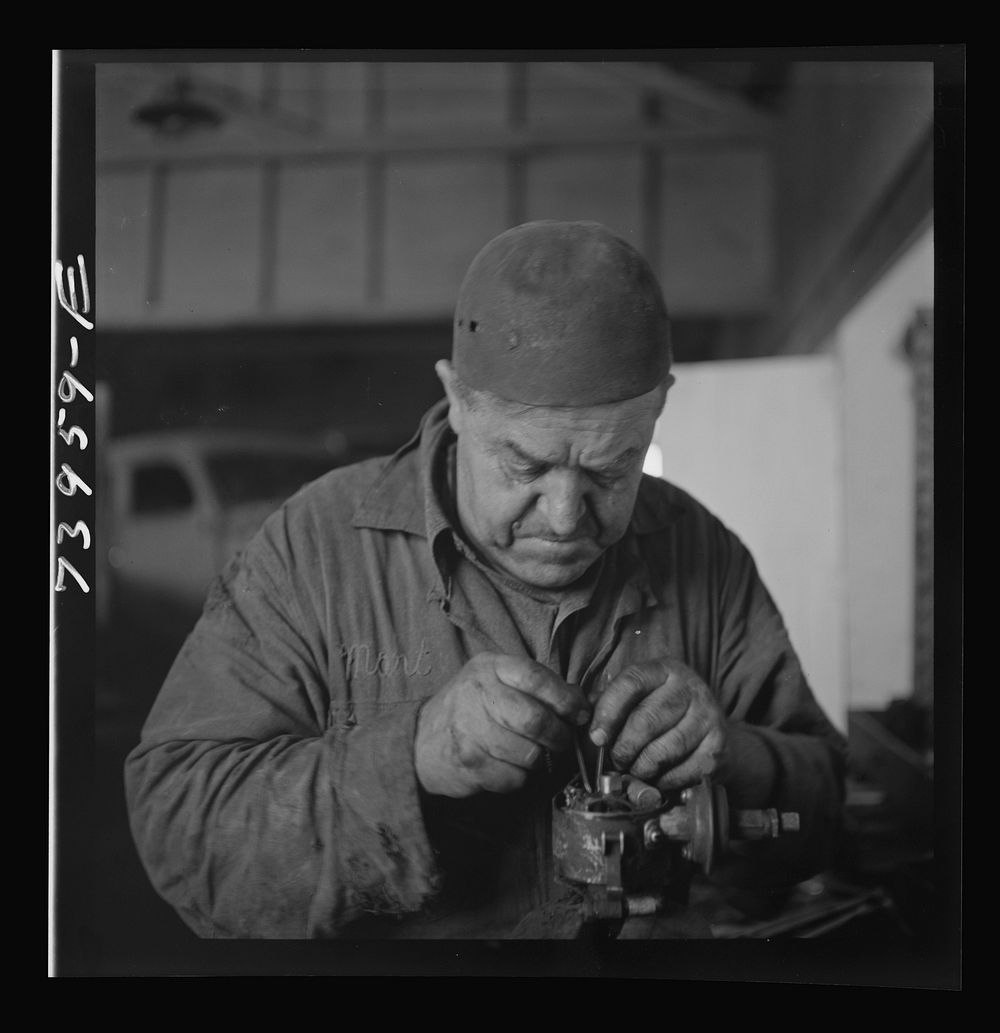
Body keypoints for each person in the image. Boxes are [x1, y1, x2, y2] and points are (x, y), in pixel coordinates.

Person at [124, 220, 846, 940]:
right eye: (524, 466)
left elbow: (829, 812)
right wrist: (409, 759)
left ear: (659, 405)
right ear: (458, 398)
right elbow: (179, 830)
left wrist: (735, 754)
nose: (566, 517)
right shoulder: (313, 550)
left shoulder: (705, 553)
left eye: (610, 468)